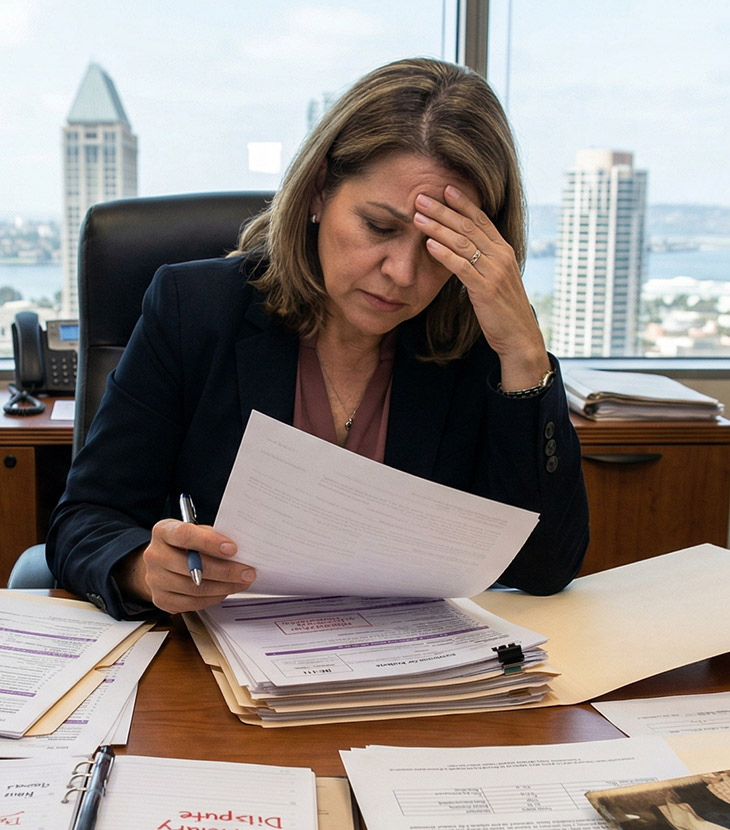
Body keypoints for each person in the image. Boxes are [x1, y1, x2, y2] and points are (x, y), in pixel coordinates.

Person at [46, 58, 589, 618]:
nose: (402, 273)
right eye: (379, 227)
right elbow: (83, 521)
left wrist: (524, 356)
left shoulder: (477, 342)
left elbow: (544, 568)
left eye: (436, 245)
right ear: (318, 191)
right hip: (218, 671)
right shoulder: (195, 311)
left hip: (406, 678)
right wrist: (141, 569)